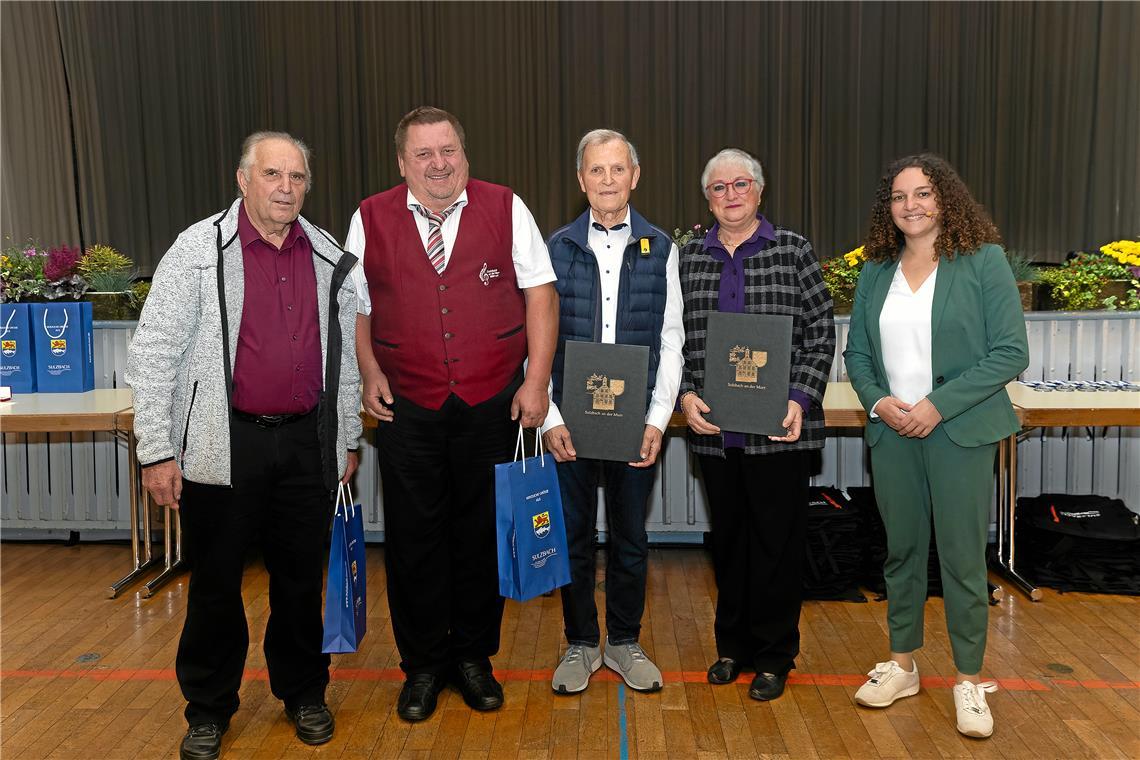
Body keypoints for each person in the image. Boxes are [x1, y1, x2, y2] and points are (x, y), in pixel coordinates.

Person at [125, 132, 363, 760]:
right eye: (272, 175)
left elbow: (345, 365)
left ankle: (305, 692)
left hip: (305, 446)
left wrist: (345, 438)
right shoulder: (196, 250)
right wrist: (155, 450)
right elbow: (153, 355)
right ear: (243, 180)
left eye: (297, 178)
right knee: (214, 588)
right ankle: (207, 710)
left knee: (298, 584)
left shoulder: (328, 256)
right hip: (220, 448)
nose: (285, 188)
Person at [345, 107, 558, 722]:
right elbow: (357, 308)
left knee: (480, 538)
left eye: (449, 151)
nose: (439, 164)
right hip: (407, 406)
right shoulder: (369, 217)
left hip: (491, 401)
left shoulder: (507, 207)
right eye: (424, 155)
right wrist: (369, 371)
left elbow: (539, 294)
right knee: (414, 542)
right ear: (402, 164)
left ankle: (473, 658)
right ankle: (421, 667)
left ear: (464, 153)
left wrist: (536, 381)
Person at [843, 153, 1028, 738]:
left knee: (961, 558)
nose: (912, 205)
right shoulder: (876, 271)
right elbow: (858, 356)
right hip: (893, 432)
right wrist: (880, 402)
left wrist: (935, 406)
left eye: (923, 193)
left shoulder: (983, 261)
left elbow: (1009, 352)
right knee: (900, 551)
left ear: (945, 197)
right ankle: (902, 665)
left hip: (960, 431)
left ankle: (970, 681)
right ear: (887, 208)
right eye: (899, 197)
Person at [678, 148, 834, 701]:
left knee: (776, 543)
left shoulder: (793, 251)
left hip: (779, 430)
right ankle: (732, 648)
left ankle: (774, 655)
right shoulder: (688, 257)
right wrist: (684, 395)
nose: (730, 195)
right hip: (717, 434)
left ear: (760, 191)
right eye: (718, 188)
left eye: (740, 184)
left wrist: (799, 398)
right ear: (707, 198)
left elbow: (820, 332)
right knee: (730, 543)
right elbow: (676, 342)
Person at [540, 129, 683, 695]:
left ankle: (623, 642)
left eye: (616, 169)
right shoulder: (552, 249)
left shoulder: (662, 248)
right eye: (595, 171)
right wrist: (549, 418)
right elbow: (535, 343)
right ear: (581, 180)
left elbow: (671, 341)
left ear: (635, 176)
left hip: (634, 424)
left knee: (630, 539)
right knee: (573, 537)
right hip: (569, 422)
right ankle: (579, 643)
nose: (606, 180)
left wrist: (656, 419)